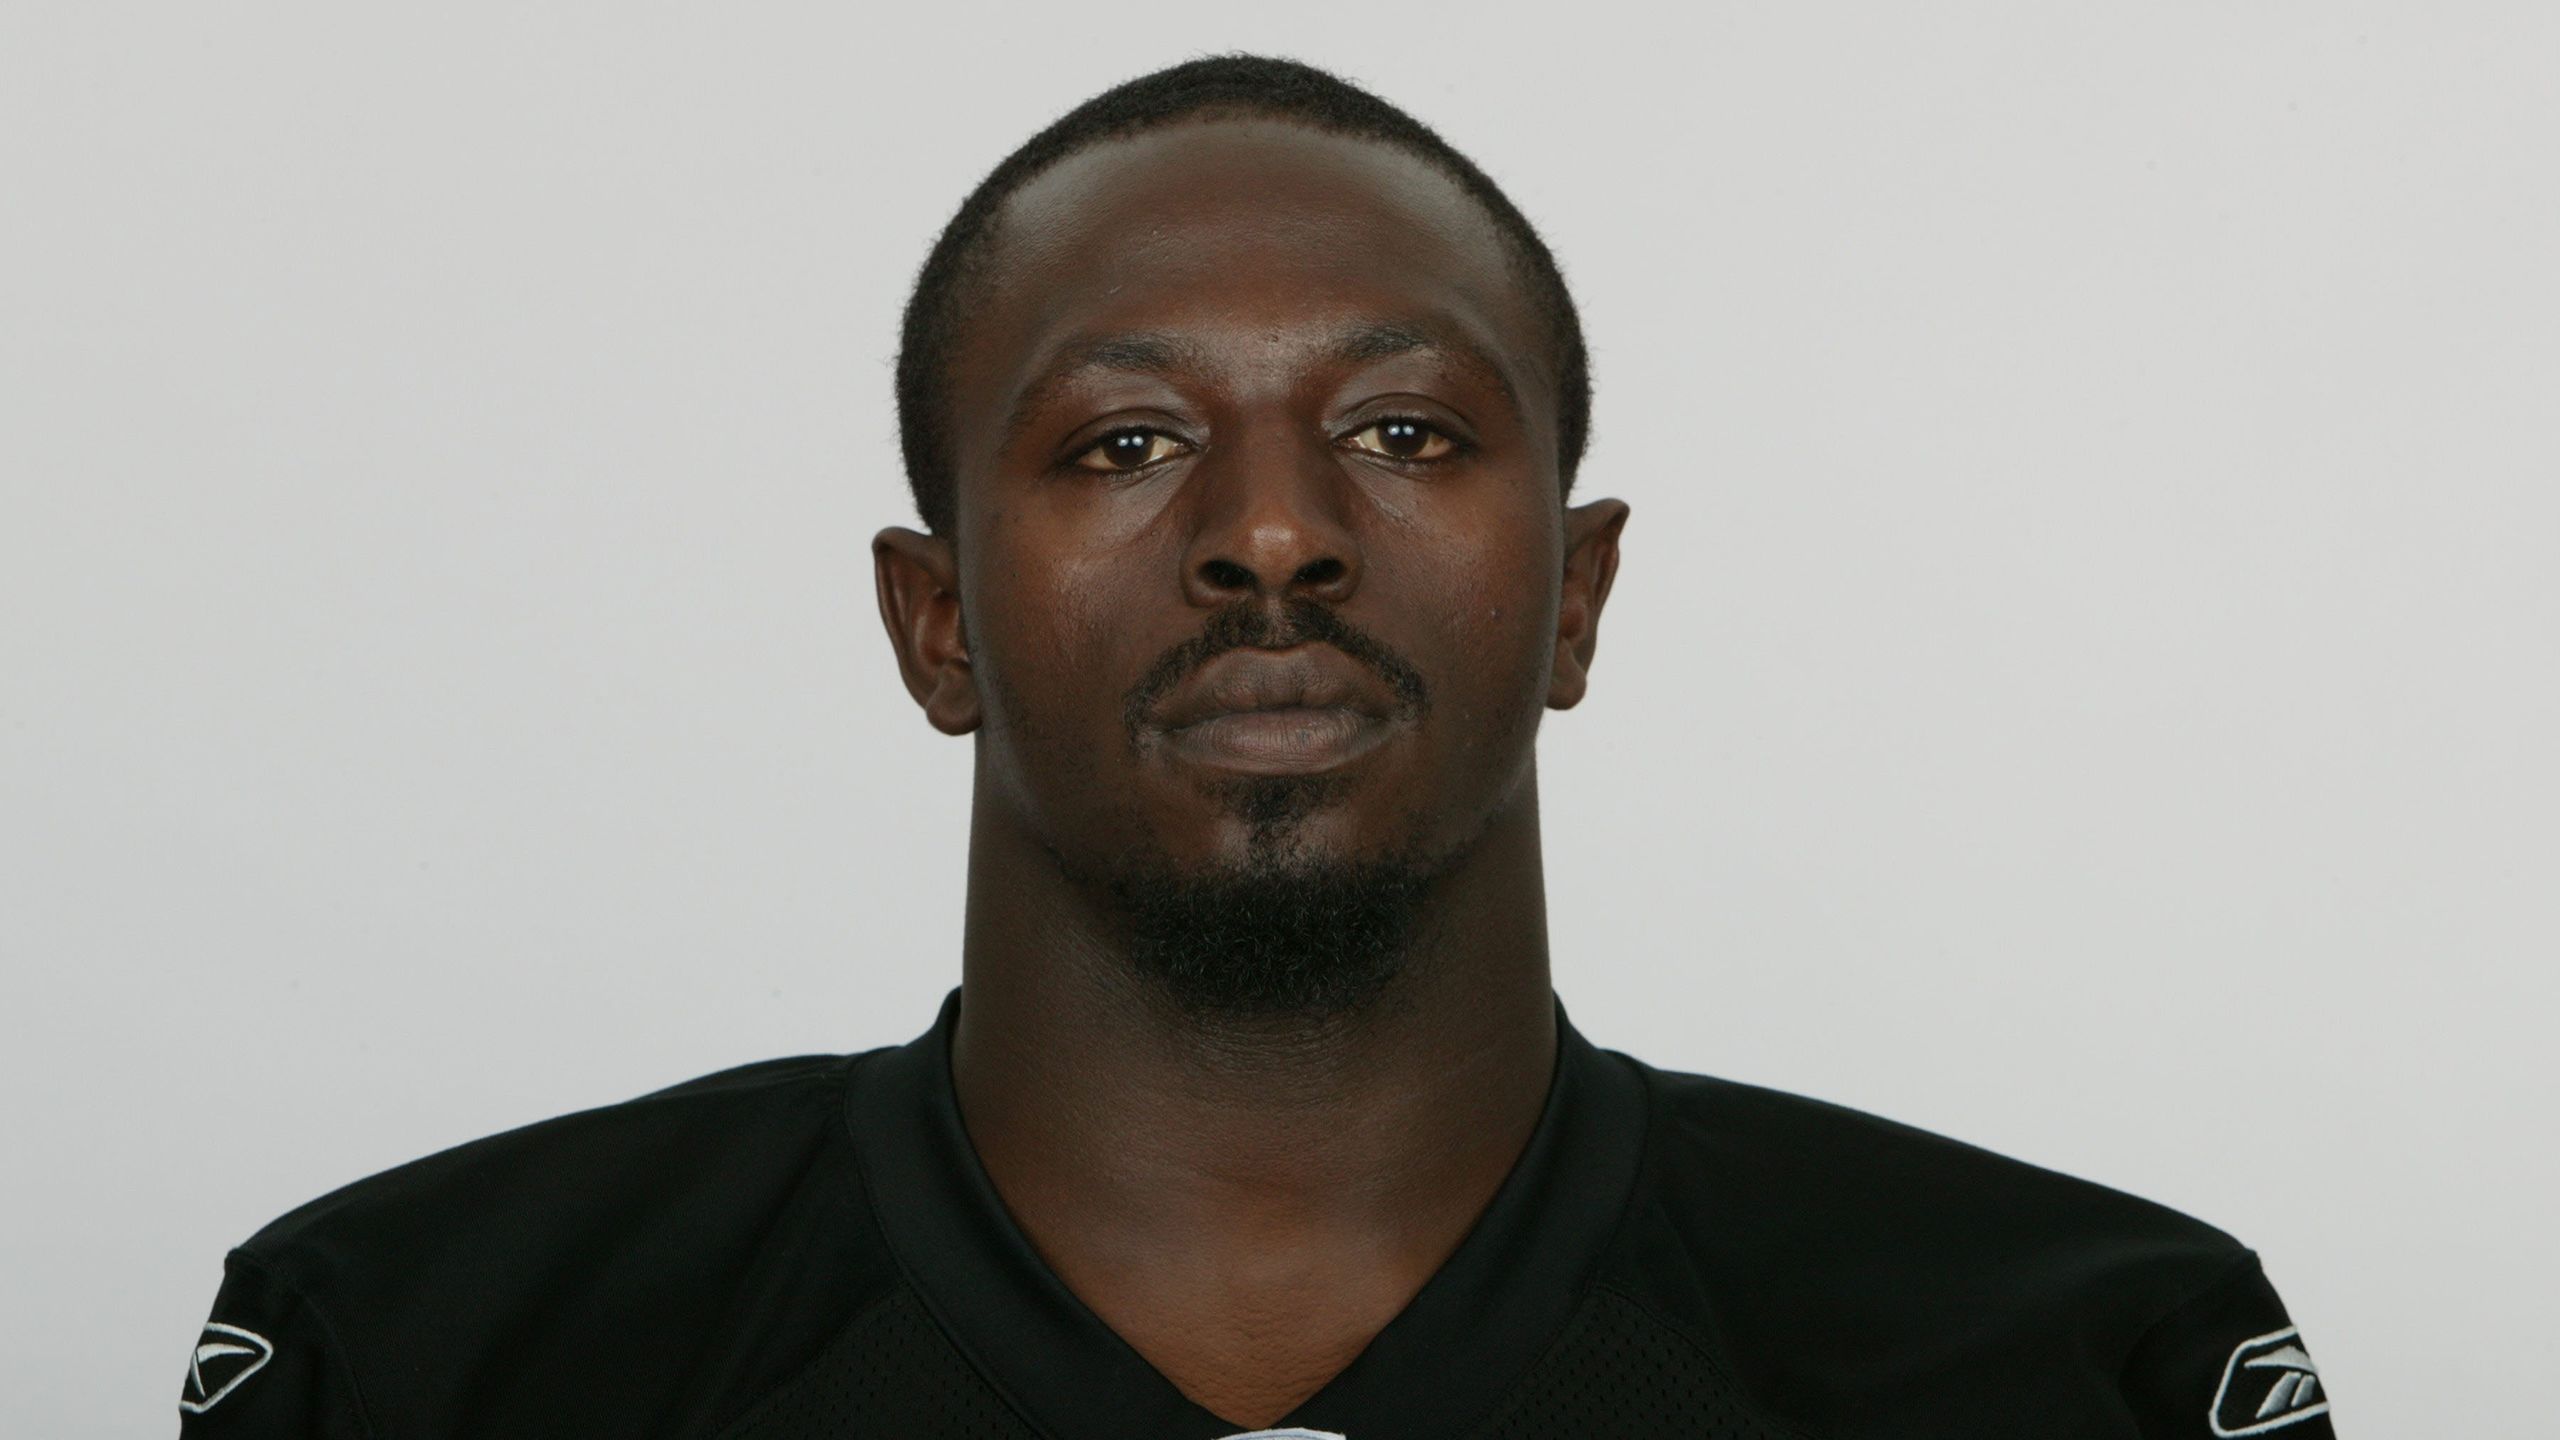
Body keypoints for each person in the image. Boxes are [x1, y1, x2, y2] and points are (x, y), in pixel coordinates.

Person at [176, 55, 2334, 1439]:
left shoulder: (2075, 1366)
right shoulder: (427, 1359)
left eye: (1401, 433)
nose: (1274, 531)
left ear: (1573, 596)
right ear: (933, 624)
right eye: (1125, 442)